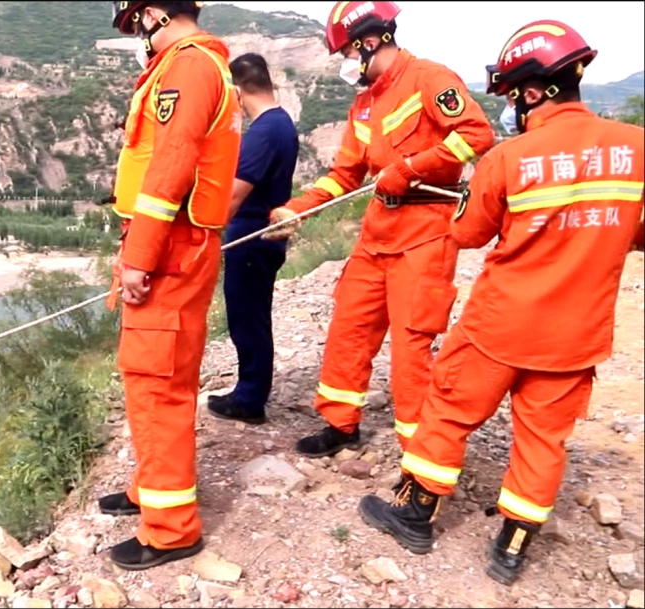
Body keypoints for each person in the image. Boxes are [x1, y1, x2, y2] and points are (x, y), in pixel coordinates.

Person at [358, 20, 644, 585]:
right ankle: (511, 547)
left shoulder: (510, 159)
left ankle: (415, 515)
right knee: (542, 437)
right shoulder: (637, 150)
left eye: (513, 95)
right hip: (575, 335)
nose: (512, 107)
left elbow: (465, 233)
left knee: (448, 410)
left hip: (500, 326)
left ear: (533, 91)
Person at [263, 1, 495, 458]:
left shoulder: (430, 78)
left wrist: (410, 168)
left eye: (348, 54)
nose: (347, 65)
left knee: (411, 345)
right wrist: (297, 209)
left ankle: (421, 454)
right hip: (378, 233)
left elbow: (475, 135)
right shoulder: (364, 104)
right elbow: (345, 173)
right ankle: (340, 424)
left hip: (425, 232)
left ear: (370, 41)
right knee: (350, 326)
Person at [98, 0, 242, 570]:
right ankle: (148, 490)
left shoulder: (187, 67)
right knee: (153, 375)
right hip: (174, 245)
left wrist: (139, 255)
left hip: (171, 250)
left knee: (156, 382)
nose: (138, 35)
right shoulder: (191, 66)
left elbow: (170, 168)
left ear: (155, 13)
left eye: (137, 23)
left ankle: (171, 528)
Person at [207, 52, 299, 425]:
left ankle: (249, 398)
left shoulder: (264, 132)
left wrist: (205, 232)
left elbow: (232, 195)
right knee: (253, 316)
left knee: (247, 319)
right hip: (261, 236)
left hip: (252, 236)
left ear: (238, 92)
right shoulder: (281, 124)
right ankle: (251, 389)